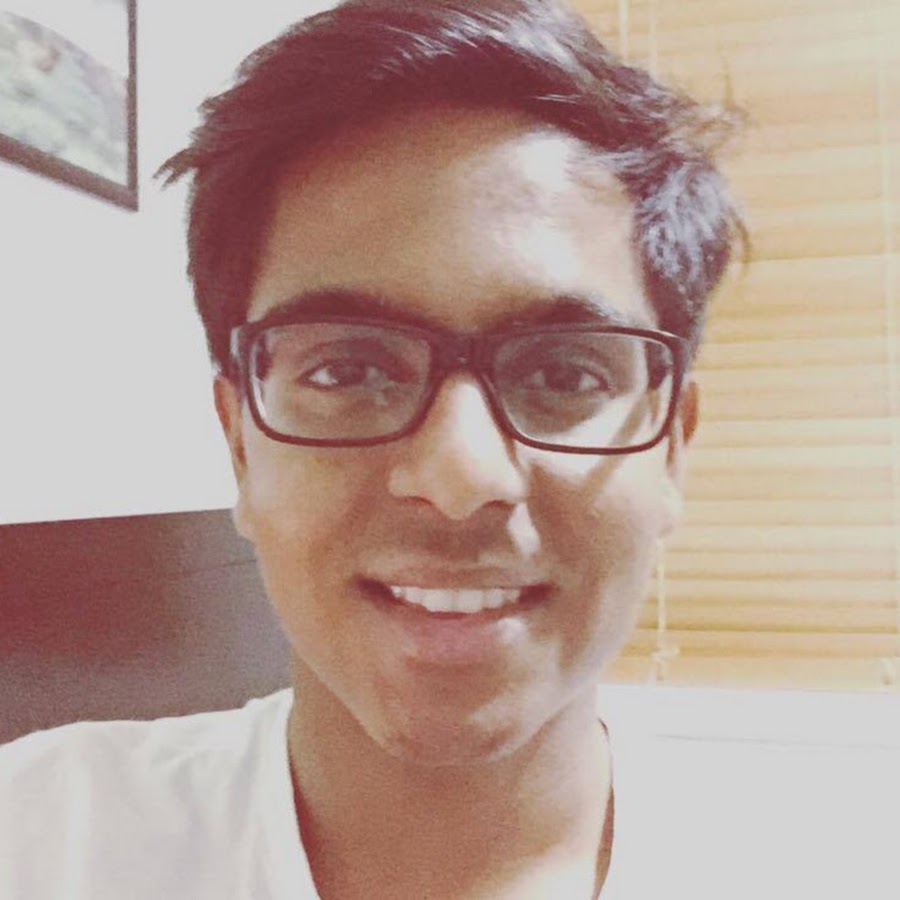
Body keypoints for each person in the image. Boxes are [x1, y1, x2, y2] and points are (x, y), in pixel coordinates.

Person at [0, 1, 745, 897]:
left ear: (672, 450)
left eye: (564, 373)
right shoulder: (38, 839)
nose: (461, 476)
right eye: (348, 369)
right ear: (240, 445)